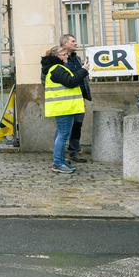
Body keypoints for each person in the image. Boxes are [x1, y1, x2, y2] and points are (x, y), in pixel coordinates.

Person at [40, 45, 89, 174]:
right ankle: (57, 163)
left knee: (62, 135)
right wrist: (84, 70)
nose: (67, 56)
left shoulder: (57, 68)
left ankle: (60, 160)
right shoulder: (56, 69)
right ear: (57, 56)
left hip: (65, 107)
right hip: (63, 108)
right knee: (62, 135)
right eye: (64, 54)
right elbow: (71, 81)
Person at [60, 34, 92, 164]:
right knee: (63, 129)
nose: (76, 43)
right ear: (65, 43)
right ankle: (59, 155)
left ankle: (74, 151)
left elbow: (81, 76)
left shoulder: (77, 59)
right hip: (65, 99)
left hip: (79, 98)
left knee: (77, 126)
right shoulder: (58, 58)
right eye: (73, 41)